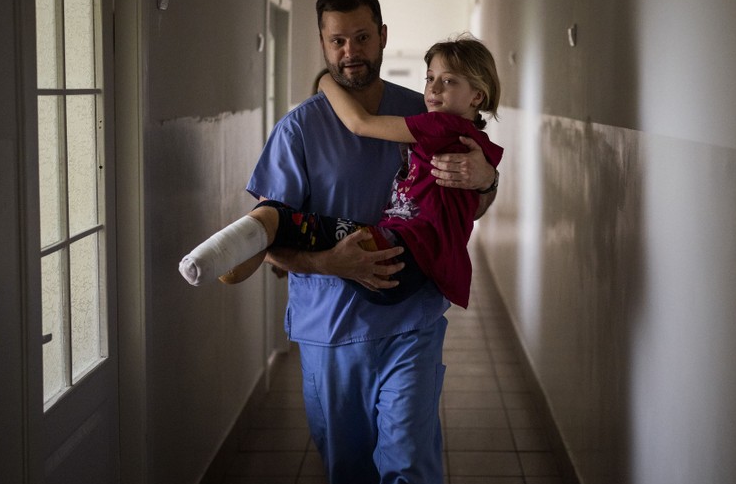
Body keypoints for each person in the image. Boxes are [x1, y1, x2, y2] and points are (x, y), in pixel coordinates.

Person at [239, 0, 497, 484]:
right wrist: (330, 262)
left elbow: (466, 206)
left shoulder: (423, 115)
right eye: (337, 41)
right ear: (322, 43)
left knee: (409, 470)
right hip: (331, 332)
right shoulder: (299, 129)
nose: (350, 52)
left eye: (361, 37)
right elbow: (270, 239)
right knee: (349, 473)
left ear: (382, 37)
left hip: (412, 324)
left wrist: (485, 179)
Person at [179, 35, 503, 310]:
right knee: (284, 225)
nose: (432, 90)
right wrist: (489, 177)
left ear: (477, 95)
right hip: (414, 270)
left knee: (279, 219)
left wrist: (324, 81)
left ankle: (234, 250)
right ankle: (250, 246)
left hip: (394, 254)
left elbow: (360, 123)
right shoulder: (479, 144)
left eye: (448, 81)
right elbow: (470, 205)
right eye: (429, 78)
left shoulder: (440, 124)